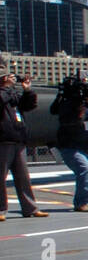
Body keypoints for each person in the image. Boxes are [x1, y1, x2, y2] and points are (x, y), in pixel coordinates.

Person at [53, 75, 88, 212]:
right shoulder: (68, 104)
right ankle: (80, 202)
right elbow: (69, 121)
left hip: (87, 147)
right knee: (84, 170)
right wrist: (79, 107)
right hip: (71, 146)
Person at [0, 73, 48, 220]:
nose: (13, 79)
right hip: (3, 140)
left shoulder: (12, 94)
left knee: (23, 177)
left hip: (18, 139)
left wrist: (27, 91)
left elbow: (29, 106)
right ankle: (1, 210)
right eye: (9, 76)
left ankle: (30, 208)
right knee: (1, 177)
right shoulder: (4, 93)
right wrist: (6, 88)